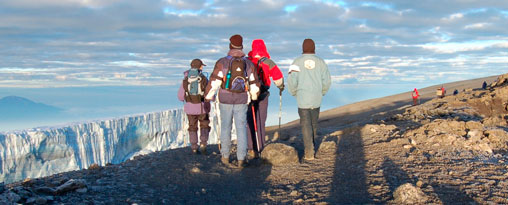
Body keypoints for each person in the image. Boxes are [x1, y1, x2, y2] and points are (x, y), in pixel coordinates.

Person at [204, 34, 260, 168]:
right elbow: (254, 82)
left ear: (230, 46)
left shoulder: (222, 62)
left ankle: (225, 156)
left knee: (226, 127)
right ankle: (241, 158)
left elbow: (214, 81)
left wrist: (208, 96)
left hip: (225, 98)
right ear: (241, 46)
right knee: (241, 128)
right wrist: (253, 96)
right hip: (241, 99)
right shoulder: (248, 63)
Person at [287, 39, 331, 161]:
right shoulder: (321, 62)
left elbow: (291, 81)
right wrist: (322, 92)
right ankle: (311, 147)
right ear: (314, 48)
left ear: (303, 48)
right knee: (313, 124)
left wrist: (294, 93)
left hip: (302, 98)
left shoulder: (296, 62)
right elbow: (326, 81)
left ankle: (309, 152)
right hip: (316, 98)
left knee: (306, 125)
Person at [246, 39, 284, 158]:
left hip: (248, 95)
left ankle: (250, 148)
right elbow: (278, 78)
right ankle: (260, 147)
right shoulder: (268, 62)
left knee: (249, 121)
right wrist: (281, 87)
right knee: (261, 121)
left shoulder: (247, 62)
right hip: (262, 94)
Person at [177, 59, 211, 154]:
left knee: (192, 126)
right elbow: (209, 93)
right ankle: (203, 144)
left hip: (190, 108)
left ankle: (194, 147)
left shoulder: (186, 79)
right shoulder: (203, 78)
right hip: (202, 107)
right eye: (202, 66)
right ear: (200, 67)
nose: (202, 67)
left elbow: (180, 96)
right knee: (204, 125)